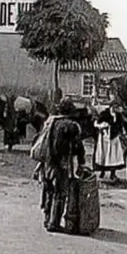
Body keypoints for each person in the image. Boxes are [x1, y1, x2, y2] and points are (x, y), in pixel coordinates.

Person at [41, 99, 86, 233]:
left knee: (49, 190)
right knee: (60, 193)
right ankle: (54, 223)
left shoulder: (51, 122)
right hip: (61, 162)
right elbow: (78, 146)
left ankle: (47, 218)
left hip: (47, 162)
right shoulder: (71, 126)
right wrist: (81, 162)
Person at [93, 90, 127, 181]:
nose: (117, 108)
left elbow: (122, 125)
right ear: (112, 106)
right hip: (105, 138)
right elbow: (96, 123)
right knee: (104, 155)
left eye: (118, 107)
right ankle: (102, 172)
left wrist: (124, 133)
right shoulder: (105, 113)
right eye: (115, 106)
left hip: (114, 138)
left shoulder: (118, 115)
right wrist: (103, 126)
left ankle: (112, 174)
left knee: (114, 157)